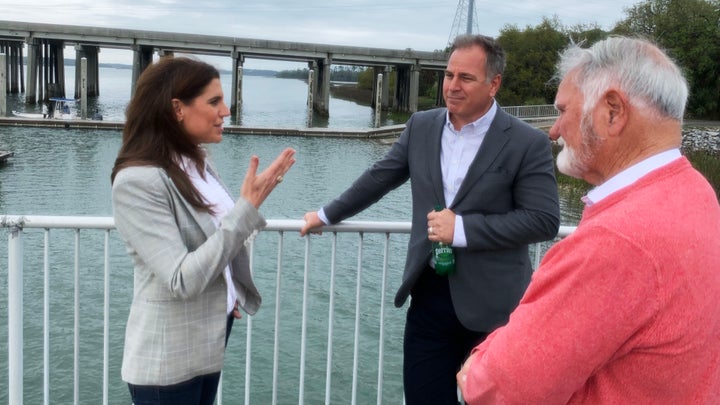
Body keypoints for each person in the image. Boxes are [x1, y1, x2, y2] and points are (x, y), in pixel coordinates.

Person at [457, 36, 720, 404]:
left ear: (612, 111)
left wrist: (477, 364)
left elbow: (498, 387)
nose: (553, 129)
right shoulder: (696, 192)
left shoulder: (619, 240)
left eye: (563, 111)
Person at [300, 34, 560, 404]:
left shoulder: (525, 142)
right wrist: (325, 215)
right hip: (428, 297)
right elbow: (380, 177)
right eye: (449, 75)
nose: (452, 86)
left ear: (494, 83)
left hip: (494, 309)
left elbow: (544, 220)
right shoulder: (422, 125)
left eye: (466, 78)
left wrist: (464, 230)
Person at [110, 56, 295, 405]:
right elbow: (182, 278)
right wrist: (247, 207)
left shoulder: (198, 161)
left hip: (208, 340)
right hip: (166, 361)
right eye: (213, 101)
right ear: (177, 108)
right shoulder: (137, 181)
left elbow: (213, 237)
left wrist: (230, 291)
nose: (226, 110)